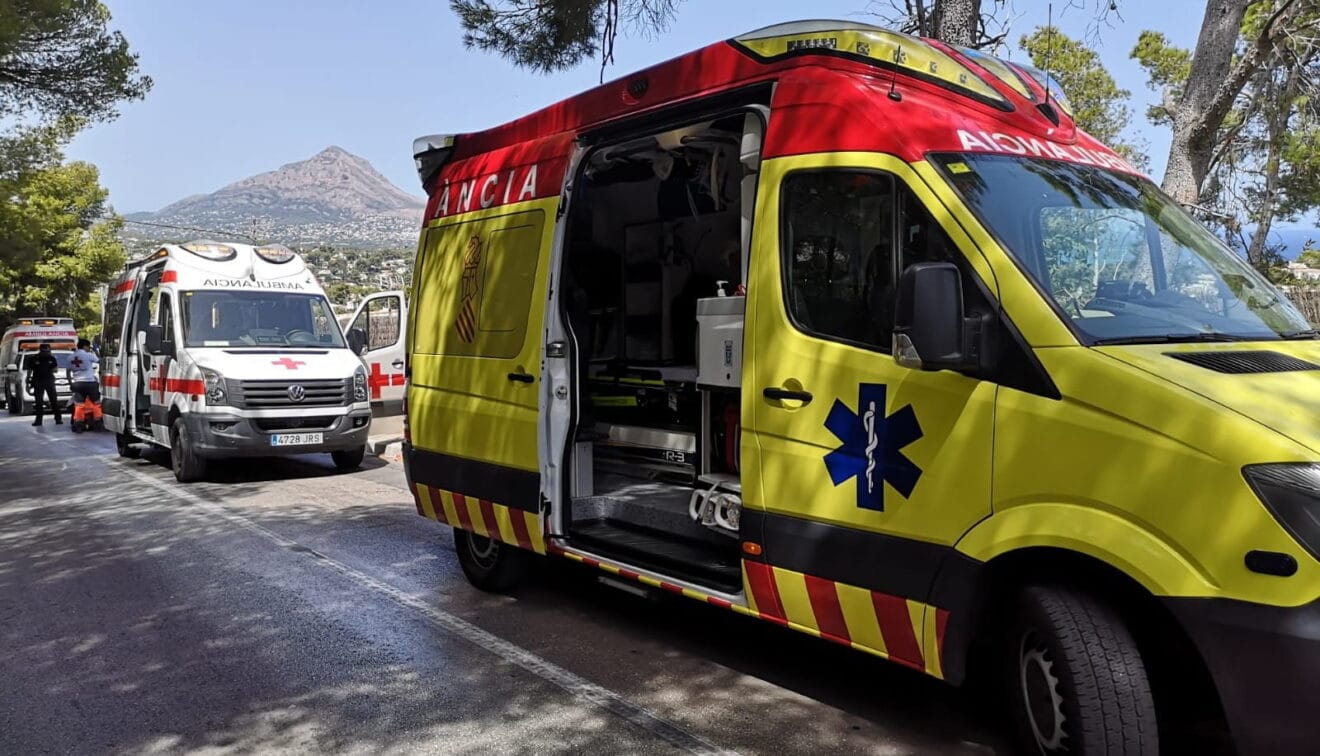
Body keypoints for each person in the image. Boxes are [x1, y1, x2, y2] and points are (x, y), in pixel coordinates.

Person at [29, 343, 61, 426]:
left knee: (53, 400)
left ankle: (58, 419)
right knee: (39, 402)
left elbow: (55, 369)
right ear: (40, 351)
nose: (46, 353)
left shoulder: (52, 358)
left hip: (49, 381)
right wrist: (28, 380)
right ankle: (38, 420)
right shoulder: (34, 358)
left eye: (48, 351)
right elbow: (30, 370)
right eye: (44, 351)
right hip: (38, 381)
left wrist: (51, 369)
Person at [68, 338, 101, 406]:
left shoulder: (70, 357)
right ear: (85, 346)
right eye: (89, 347)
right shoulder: (88, 355)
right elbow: (100, 361)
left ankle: (78, 416)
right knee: (97, 403)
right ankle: (97, 415)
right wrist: (96, 351)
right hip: (90, 383)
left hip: (77, 384)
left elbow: (68, 371)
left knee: (79, 404)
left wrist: (71, 383)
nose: (89, 349)